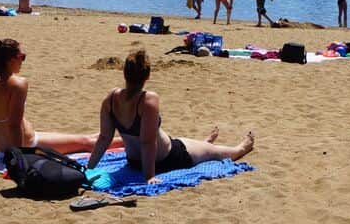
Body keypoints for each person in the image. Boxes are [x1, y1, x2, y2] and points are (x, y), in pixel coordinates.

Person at [0, 39, 122, 163]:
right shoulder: (18, 84)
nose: (23, 61)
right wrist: (20, 159)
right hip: (27, 143)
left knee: (91, 136)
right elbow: (14, 125)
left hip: (4, 146)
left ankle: (129, 137)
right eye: (21, 57)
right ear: (9, 60)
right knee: (86, 142)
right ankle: (136, 141)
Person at [86, 49, 254, 183]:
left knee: (188, 142)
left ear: (124, 74)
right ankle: (241, 148)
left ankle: (203, 145)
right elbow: (147, 142)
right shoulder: (148, 100)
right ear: (148, 76)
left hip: (134, 162)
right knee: (215, 152)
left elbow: (104, 138)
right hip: (168, 158)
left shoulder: (111, 98)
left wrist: (89, 168)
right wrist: (149, 177)